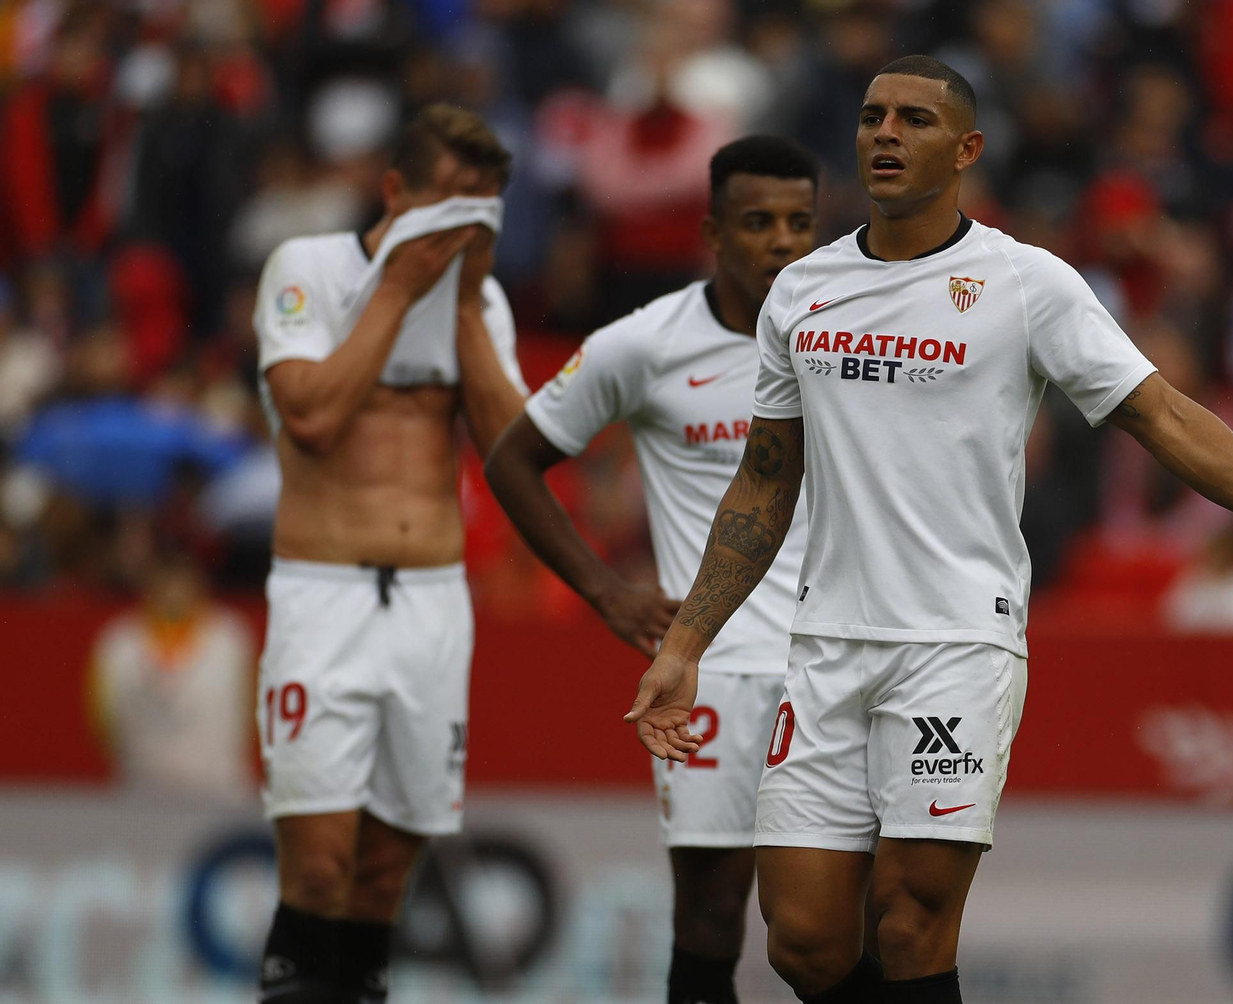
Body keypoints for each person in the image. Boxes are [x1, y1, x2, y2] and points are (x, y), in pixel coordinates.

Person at [624, 55, 1233, 1004]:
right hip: (826, 641)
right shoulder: (802, 291)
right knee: (801, 939)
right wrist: (687, 644)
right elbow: (765, 481)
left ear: (966, 148)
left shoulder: (1025, 283)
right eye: (874, 116)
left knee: (912, 918)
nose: (886, 133)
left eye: (915, 121)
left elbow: (1161, 415)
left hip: (957, 641)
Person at [484, 135, 820, 1004]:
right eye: (757, 221)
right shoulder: (644, 344)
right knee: (710, 918)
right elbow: (512, 461)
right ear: (712, 230)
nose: (781, 241)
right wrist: (603, 589)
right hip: (715, 668)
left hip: (837, 658)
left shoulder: (851, 339)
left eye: (799, 222)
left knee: (830, 927)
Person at [250, 104, 529, 1004]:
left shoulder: (478, 302)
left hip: (431, 602)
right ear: (396, 191)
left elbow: (510, 452)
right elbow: (314, 418)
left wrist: (465, 301)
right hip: (322, 591)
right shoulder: (309, 268)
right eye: (448, 201)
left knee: (382, 878)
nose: (461, 225)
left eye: (481, 209)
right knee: (322, 868)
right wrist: (403, 290)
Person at [89, 550, 254, 800]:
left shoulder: (230, 638)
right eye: (165, 583)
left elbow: (251, 706)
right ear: (148, 586)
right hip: (142, 782)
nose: (173, 592)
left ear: (198, 586)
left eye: (181, 582)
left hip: (220, 784)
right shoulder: (118, 643)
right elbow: (104, 717)